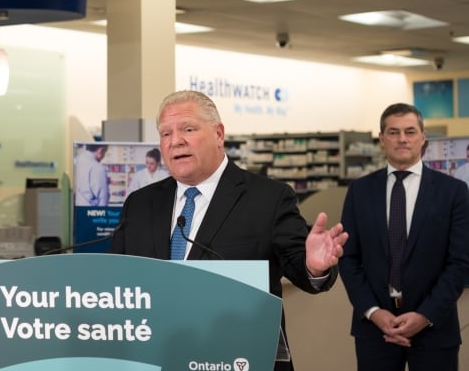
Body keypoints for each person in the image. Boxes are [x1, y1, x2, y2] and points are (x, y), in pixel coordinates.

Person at [108, 90, 348, 371]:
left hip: (237, 358)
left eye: (188, 129)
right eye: (165, 134)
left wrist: (313, 266)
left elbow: (301, 270)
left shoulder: (268, 198)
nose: (175, 141)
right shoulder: (140, 203)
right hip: (157, 357)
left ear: (219, 134)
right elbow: (118, 280)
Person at [338, 103, 469, 371]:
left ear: (423, 138)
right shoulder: (359, 191)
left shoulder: (453, 192)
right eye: (393, 132)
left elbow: (460, 262)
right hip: (375, 330)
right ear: (382, 139)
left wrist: (425, 315)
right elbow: (349, 260)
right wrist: (373, 312)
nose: (402, 139)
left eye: (410, 131)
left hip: (435, 327)